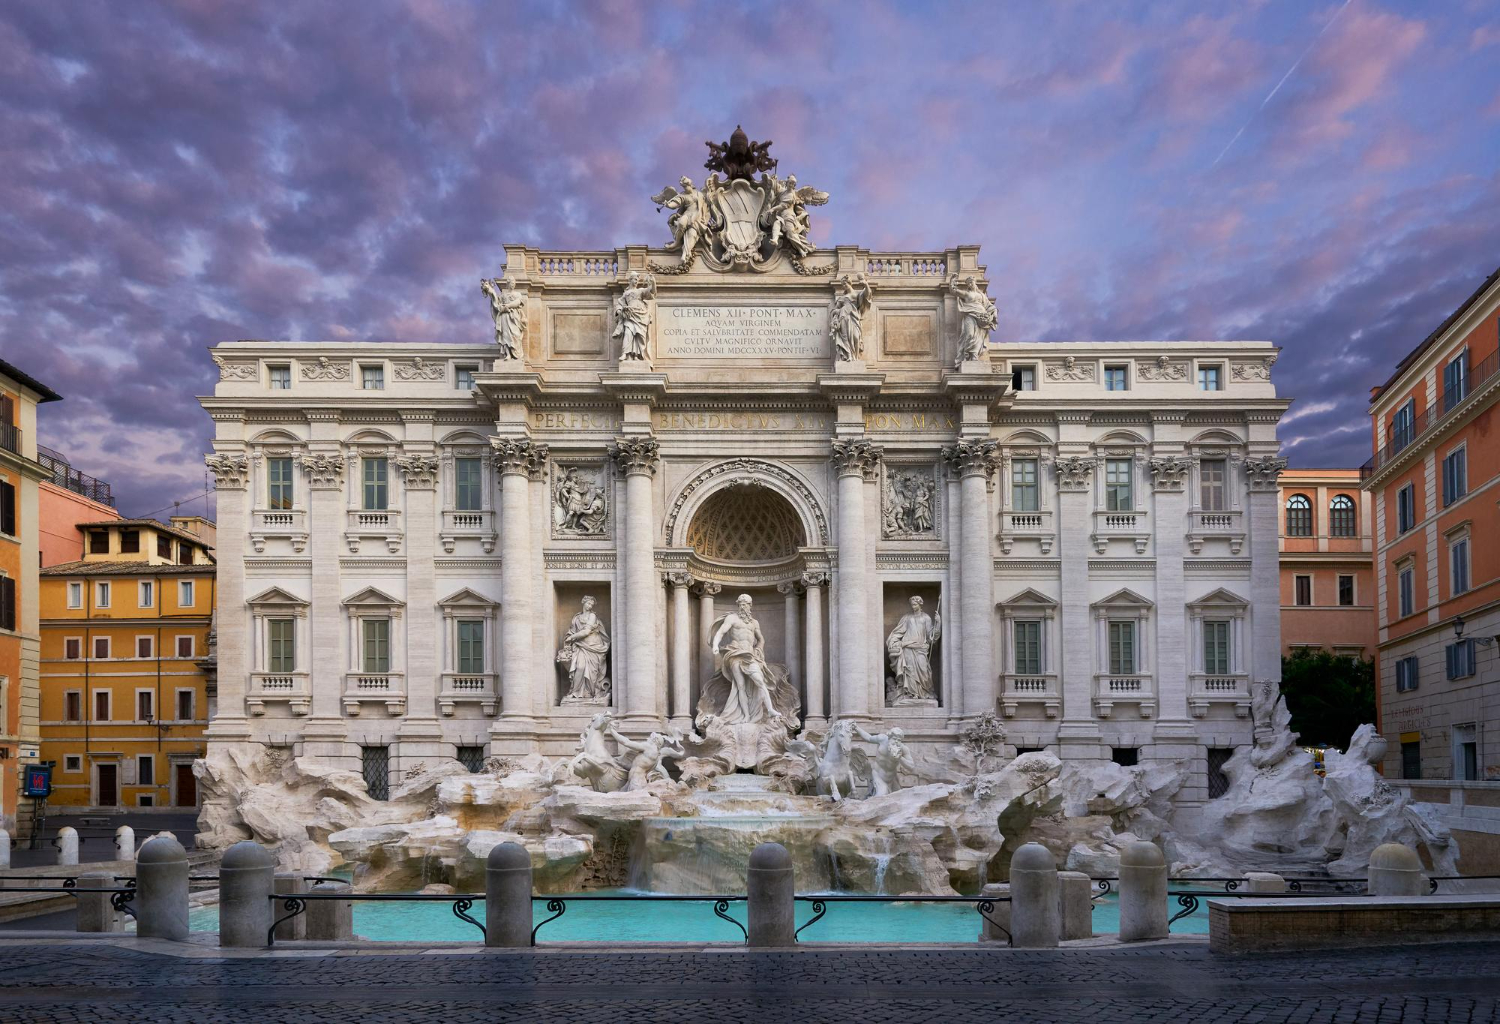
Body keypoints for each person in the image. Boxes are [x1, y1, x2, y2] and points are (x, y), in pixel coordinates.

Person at [709, 594, 779, 724]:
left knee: (760, 681)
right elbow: (721, 632)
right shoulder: (732, 618)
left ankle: (770, 710)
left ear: (750, 605)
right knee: (740, 686)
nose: (742, 606)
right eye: (740, 604)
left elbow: (761, 639)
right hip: (735, 653)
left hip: (750, 655)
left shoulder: (754, 623)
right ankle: (746, 716)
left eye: (745, 604)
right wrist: (715, 645)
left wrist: (758, 650)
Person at [886, 596, 940, 702]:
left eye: (915, 604)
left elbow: (931, 636)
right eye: (912, 605)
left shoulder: (926, 618)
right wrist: (893, 641)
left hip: (921, 648)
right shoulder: (907, 618)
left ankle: (925, 693)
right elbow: (899, 632)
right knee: (909, 671)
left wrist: (938, 623)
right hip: (908, 648)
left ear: (920, 604)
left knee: (924, 670)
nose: (913, 606)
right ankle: (910, 693)